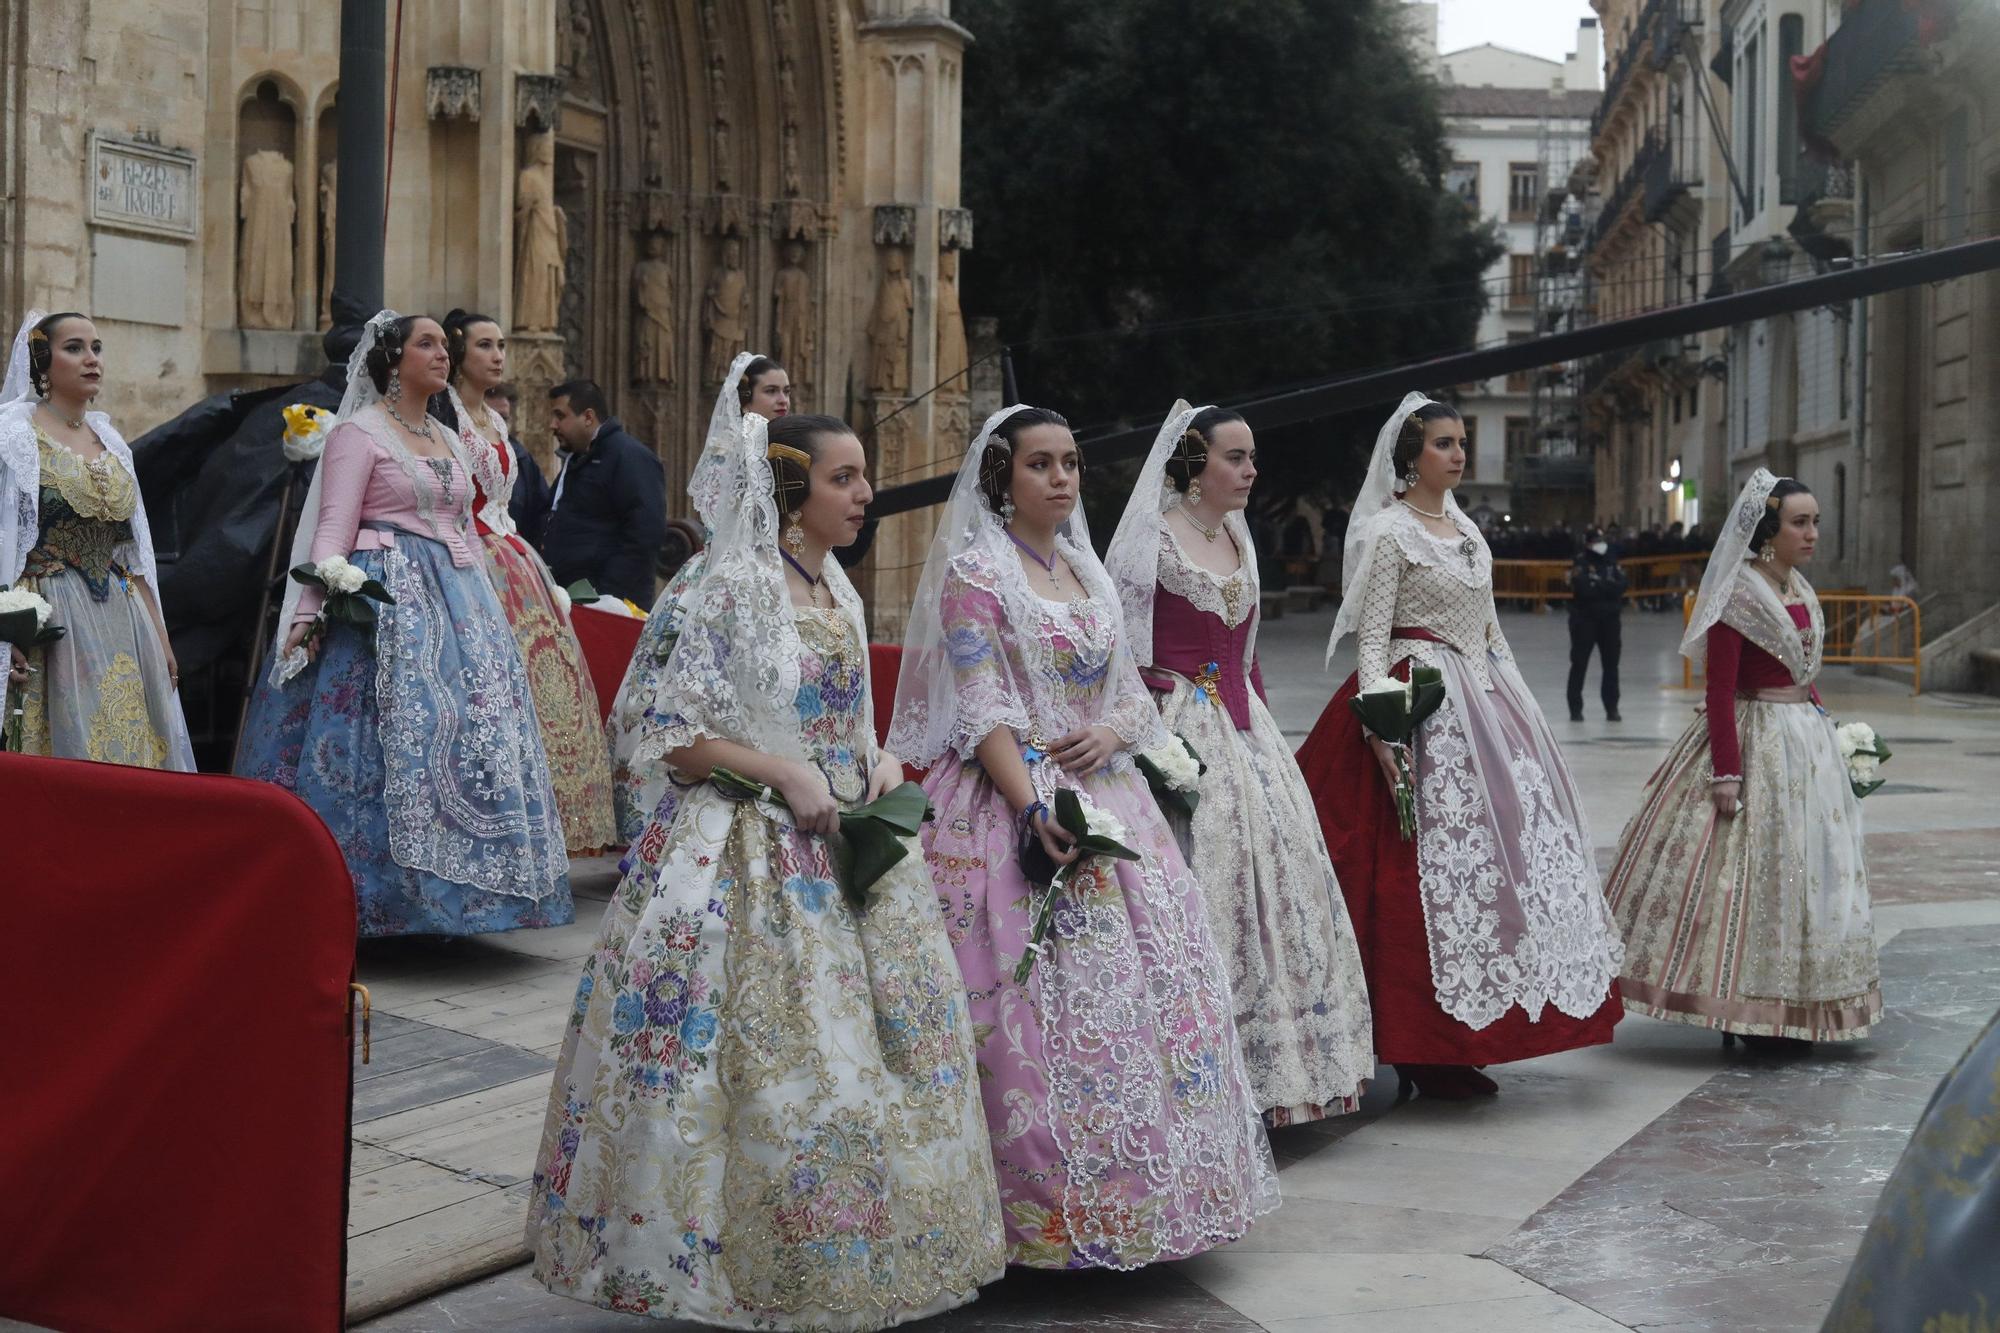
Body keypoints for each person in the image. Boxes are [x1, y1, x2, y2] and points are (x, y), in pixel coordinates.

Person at [527, 411, 1005, 1329]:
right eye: (845, 478)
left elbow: (850, 717)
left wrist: (878, 765)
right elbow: (672, 735)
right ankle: (744, 1263)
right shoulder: (730, 583)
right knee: (766, 1062)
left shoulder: (836, 588)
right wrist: (784, 770)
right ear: (792, 491)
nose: (864, 495)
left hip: (846, 844)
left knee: (881, 1053)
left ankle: (861, 1253)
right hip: (746, 847)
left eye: (862, 478)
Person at [887, 404, 1278, 1270]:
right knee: (1020, 1011)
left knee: (1146, 995)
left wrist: (1111, 733)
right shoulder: (974, 574)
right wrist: (1033, 808)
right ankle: (1030, 1219)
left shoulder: (1084, 569)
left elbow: (1130, 693)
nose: (1061, 478)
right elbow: (985, 708)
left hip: (1109, 791)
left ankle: (1147, 1198)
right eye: (1040, 465)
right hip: (1009, 801)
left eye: (1069, 463)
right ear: (1003, 479)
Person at [1294, 394, 1624, 1101]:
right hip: (1419, 698)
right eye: (1444, 442)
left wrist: (1521, 707)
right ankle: (1419, 1045)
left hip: (1482, 697)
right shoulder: (1390, 533)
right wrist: (1384, 723)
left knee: (1490, 869)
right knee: (1414, 873)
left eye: (1460, 441)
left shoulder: (1470, 530)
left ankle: (1461, 1039)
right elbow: (1374, 636)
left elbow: (1491, 628)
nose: (1458, 452)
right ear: (1412, 457)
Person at [237, 310, 571, 937]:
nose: (443, 355)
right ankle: (374, 899)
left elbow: (464, 523)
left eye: (446, 346)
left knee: (470, 731)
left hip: (458, 597)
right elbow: (332, 527)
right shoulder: (358, 434)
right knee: (383, 741)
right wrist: (308, 615)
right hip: (384, 596)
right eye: (428, 345)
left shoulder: (445, 438)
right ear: (393, 362)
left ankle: (469, 899)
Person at [1104, 401, 1372, 1125]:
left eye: (1251, 458)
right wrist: (1151, 740)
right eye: (1236, 457)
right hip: (1174, 726)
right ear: (1194, 465)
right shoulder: (1147, 545)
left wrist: (1262, 738)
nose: (1251, 470)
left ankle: (1281, 1072)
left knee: (1280, 883)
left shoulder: (1240, 538)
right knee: (1201, 881)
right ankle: (1193, 1078)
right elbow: (1117, 662)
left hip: (1245, 733)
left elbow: (1248, 658)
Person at [1604, 472, 1880, 1052]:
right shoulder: (1738, 595)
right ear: (1767, 533)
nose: (1811, 534)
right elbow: (1720, 691)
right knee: (1753, 875)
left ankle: (1803, 999)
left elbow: (1805, 673)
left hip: (1804, 741)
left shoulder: (1798, 587)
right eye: (1799, 523)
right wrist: (1726, 772)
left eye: (1815, 522)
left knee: (1810, 873)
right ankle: (1744, 1006)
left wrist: (1834, 739)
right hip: (1758, 740)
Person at [444, 310, 617, 853]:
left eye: (501, 345)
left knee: (547, 683)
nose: (498, 355)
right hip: (467, 557)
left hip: (511, 557)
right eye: (486, 346)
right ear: (458, 356)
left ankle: (545, 819)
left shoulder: (495, 423)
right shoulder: (444, 420)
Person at [0, 310, 193, 769]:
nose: (91, 359)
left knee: (129, 750)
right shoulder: (14, 437)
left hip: (124, 620)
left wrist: (161, 639)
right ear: (43, 362)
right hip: (51, 619)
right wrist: (6, 637)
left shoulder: (111, 440)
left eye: (97, 348)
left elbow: (132, 552)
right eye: (75, 348)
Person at [604, 352, 780, 844]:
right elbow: (721, 518)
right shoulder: (729, 449)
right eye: (772, 391)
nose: (783, 399)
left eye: (786, 391)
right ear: (746, 397)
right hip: (721, 573)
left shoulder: (786, 447)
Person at [541, 378, 667, 606]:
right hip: (571, 598)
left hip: (606, 603)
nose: (552, 425)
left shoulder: (629, 457)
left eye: (560, 416)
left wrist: (606, 592)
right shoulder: (579, 458)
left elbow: (645, 533)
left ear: (588, 417)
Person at [1567, 525, 1627, 722]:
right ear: (1588, 544)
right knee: (1579, 664)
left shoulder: (1611, 561)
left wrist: (1599, 584)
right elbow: (1583, 589)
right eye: (1596, 542)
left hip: (1610, 621)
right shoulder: (1581, 561)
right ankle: (1575, 709)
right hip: (1585, 620)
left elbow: (1621, 586)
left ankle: (1612, 708)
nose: (1600, 546)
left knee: (1611, 665)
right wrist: (1607, 587)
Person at [483, 382, 551, 545]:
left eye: (504, 418)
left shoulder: (522, 459)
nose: (498, 425)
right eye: (491, 417)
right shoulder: (455, 449)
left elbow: (540, 511)